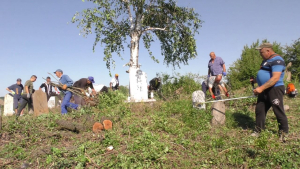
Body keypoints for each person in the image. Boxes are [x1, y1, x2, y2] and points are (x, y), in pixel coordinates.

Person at [251, 43, 288, 141]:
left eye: (261, 52)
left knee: (278, 111)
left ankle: (283, 133)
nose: (260, 54)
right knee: (260, 110)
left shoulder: (277, 60)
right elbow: (266, 74)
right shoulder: (266, 61)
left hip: (274, 89)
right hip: (264, 89)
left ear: (268, 51)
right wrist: (255, 80)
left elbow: (275, 78)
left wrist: (261, 88)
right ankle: (259, 131)